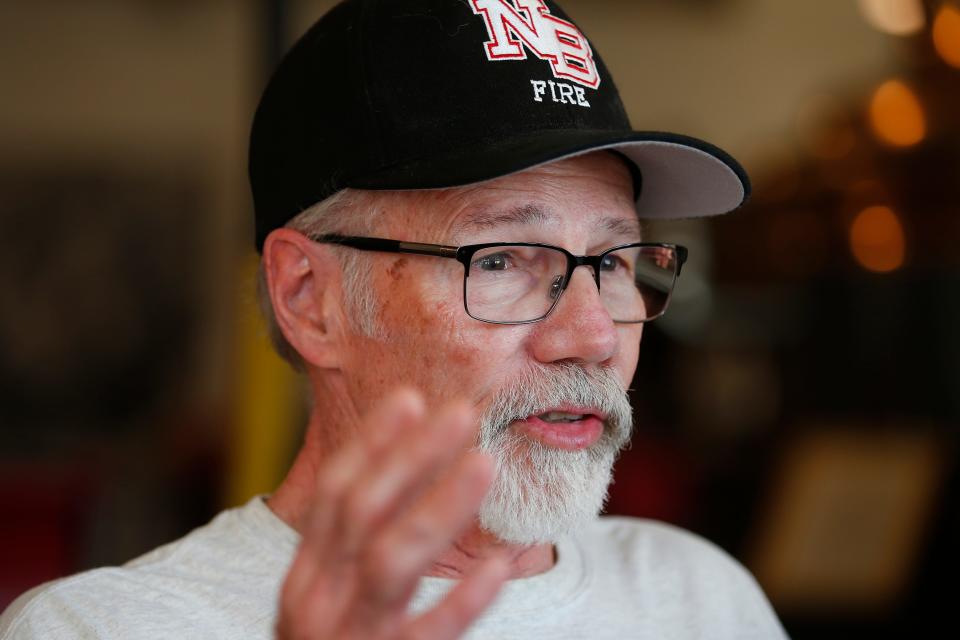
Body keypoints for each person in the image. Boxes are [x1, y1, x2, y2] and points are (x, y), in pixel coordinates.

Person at [0, 1, 787, 638]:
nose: (591, 336)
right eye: (504, 259)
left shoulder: (699, 597)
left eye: (613, 262)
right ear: (310, 298)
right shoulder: (97, 629)